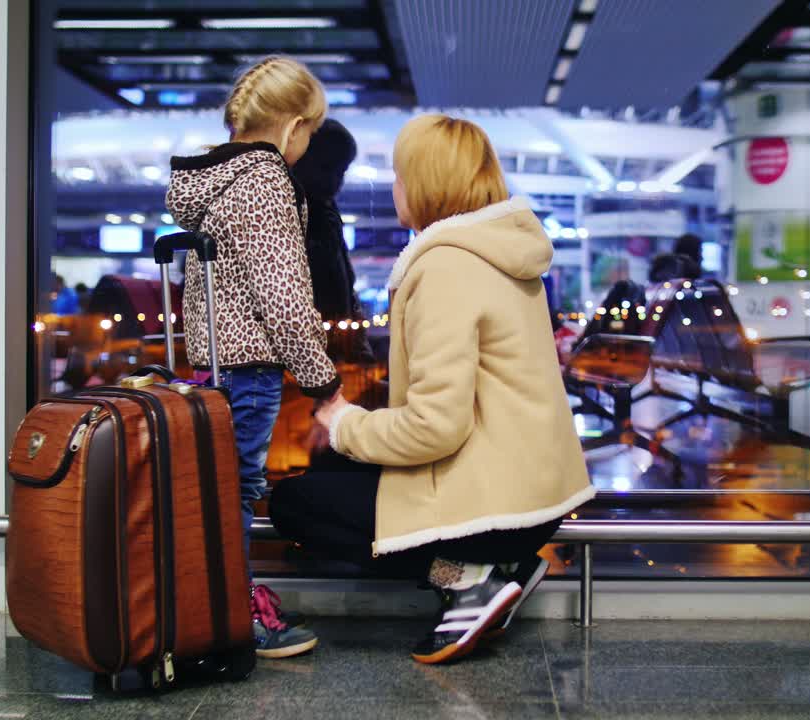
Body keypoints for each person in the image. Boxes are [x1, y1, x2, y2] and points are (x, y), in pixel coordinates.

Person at [270, 114, 595, 665]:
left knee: (295, 505)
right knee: (332, 475)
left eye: (400, 174)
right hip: (532, 495)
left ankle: (469, 577)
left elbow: (436, 426)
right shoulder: (504, 254)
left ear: (423, 181)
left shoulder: (444, 267)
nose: (394, 186)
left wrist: (345, 421)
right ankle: (503, 568)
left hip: (492, 510)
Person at [166, 56, 336, 660]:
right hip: (250, 369)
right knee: (234, 494)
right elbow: (283, 296)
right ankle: (235, 617)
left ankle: (217, 605)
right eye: (310, 131)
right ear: (292, 127)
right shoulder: (264, 182)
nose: (309, 145)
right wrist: (322, 379)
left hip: (211, 366)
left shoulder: (215, 184)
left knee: (214, 492)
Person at [290, 118, 374, 365]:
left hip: (329, 348)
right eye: (327, 168)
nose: (337, 180)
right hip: (312, 356)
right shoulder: (293, 210)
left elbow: (344, 283)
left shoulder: (325, 210)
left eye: (342, 171)